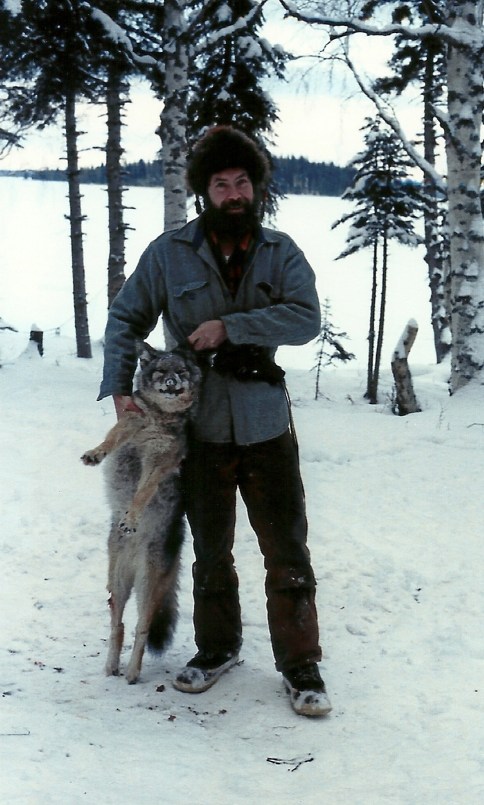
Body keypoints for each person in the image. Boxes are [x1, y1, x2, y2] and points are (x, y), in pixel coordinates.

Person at [98, 126, 332, 717]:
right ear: (205, 191)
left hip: (265, 423)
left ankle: (301, 665)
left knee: (286, 548)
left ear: (256, 188)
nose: (233, 193)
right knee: (209, 547)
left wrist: (235, 327)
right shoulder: (169, 252)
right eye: (221, 183)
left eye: (242, 182)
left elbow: (306, 319)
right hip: (196, 432)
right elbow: (126, 319)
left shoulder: (281, 252)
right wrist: (120, 390)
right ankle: (217, 649)